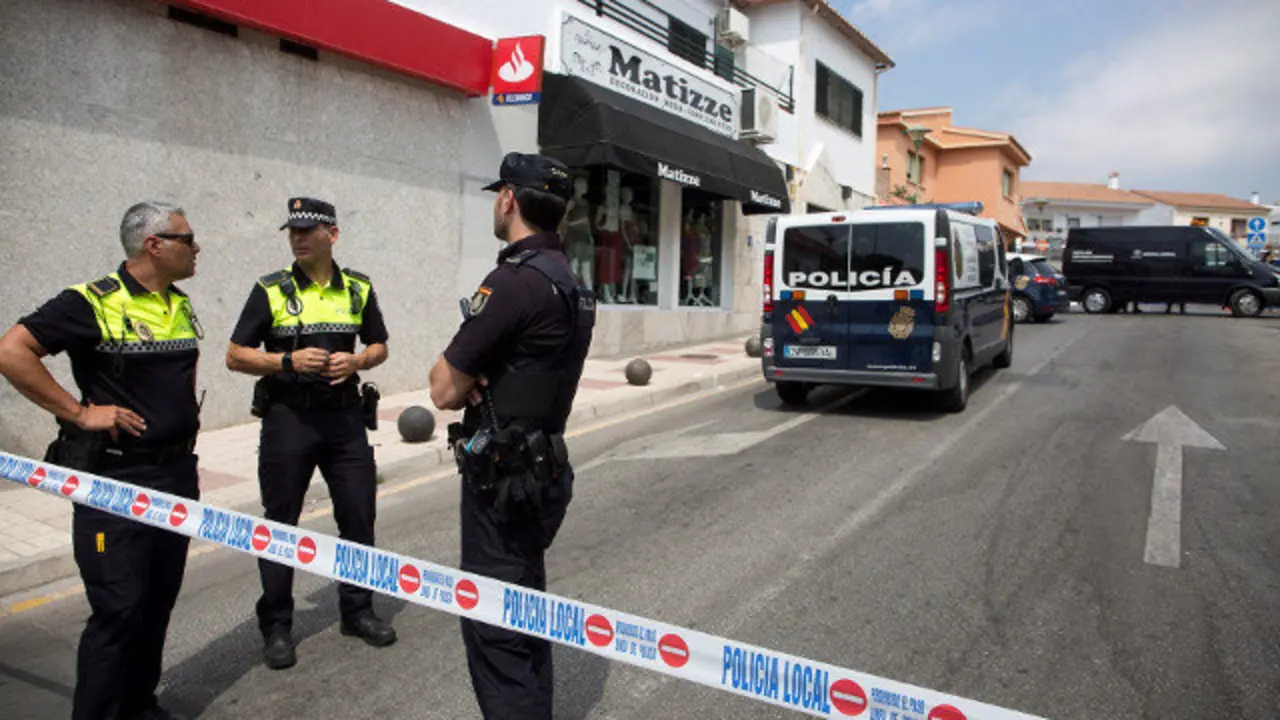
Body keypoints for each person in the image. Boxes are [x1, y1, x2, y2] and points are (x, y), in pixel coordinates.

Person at [0, 202, 203, 720]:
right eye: (187, 239)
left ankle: (139, 705)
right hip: (118, 477)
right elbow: (12, 351)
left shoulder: (177, 302)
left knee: (157, 602)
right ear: (154, 245)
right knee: (118, 609)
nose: (196, 248)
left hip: (176, 474)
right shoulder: (91, 301)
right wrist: (78, 412)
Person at [430, 152, 595, 719]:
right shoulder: (571, 282)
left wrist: (476, 372)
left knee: (496, 630)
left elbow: (443, 389)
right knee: (524, 615)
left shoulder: (514, 282)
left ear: (508, 200)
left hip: (501, 481)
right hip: (543, 471)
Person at [226, 197, 395, 670]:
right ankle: (277, 625)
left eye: (307, 231)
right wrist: (286, 360)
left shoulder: (358, 287)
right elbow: (235, 354)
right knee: (279, 524)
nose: (297, 239)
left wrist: (358, 359)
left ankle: (357, 611)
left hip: (344, 420)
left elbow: (380, 345)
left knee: (359, 516)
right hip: (289, 419)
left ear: (332, 234)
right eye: (292, 232)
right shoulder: (271, 289)